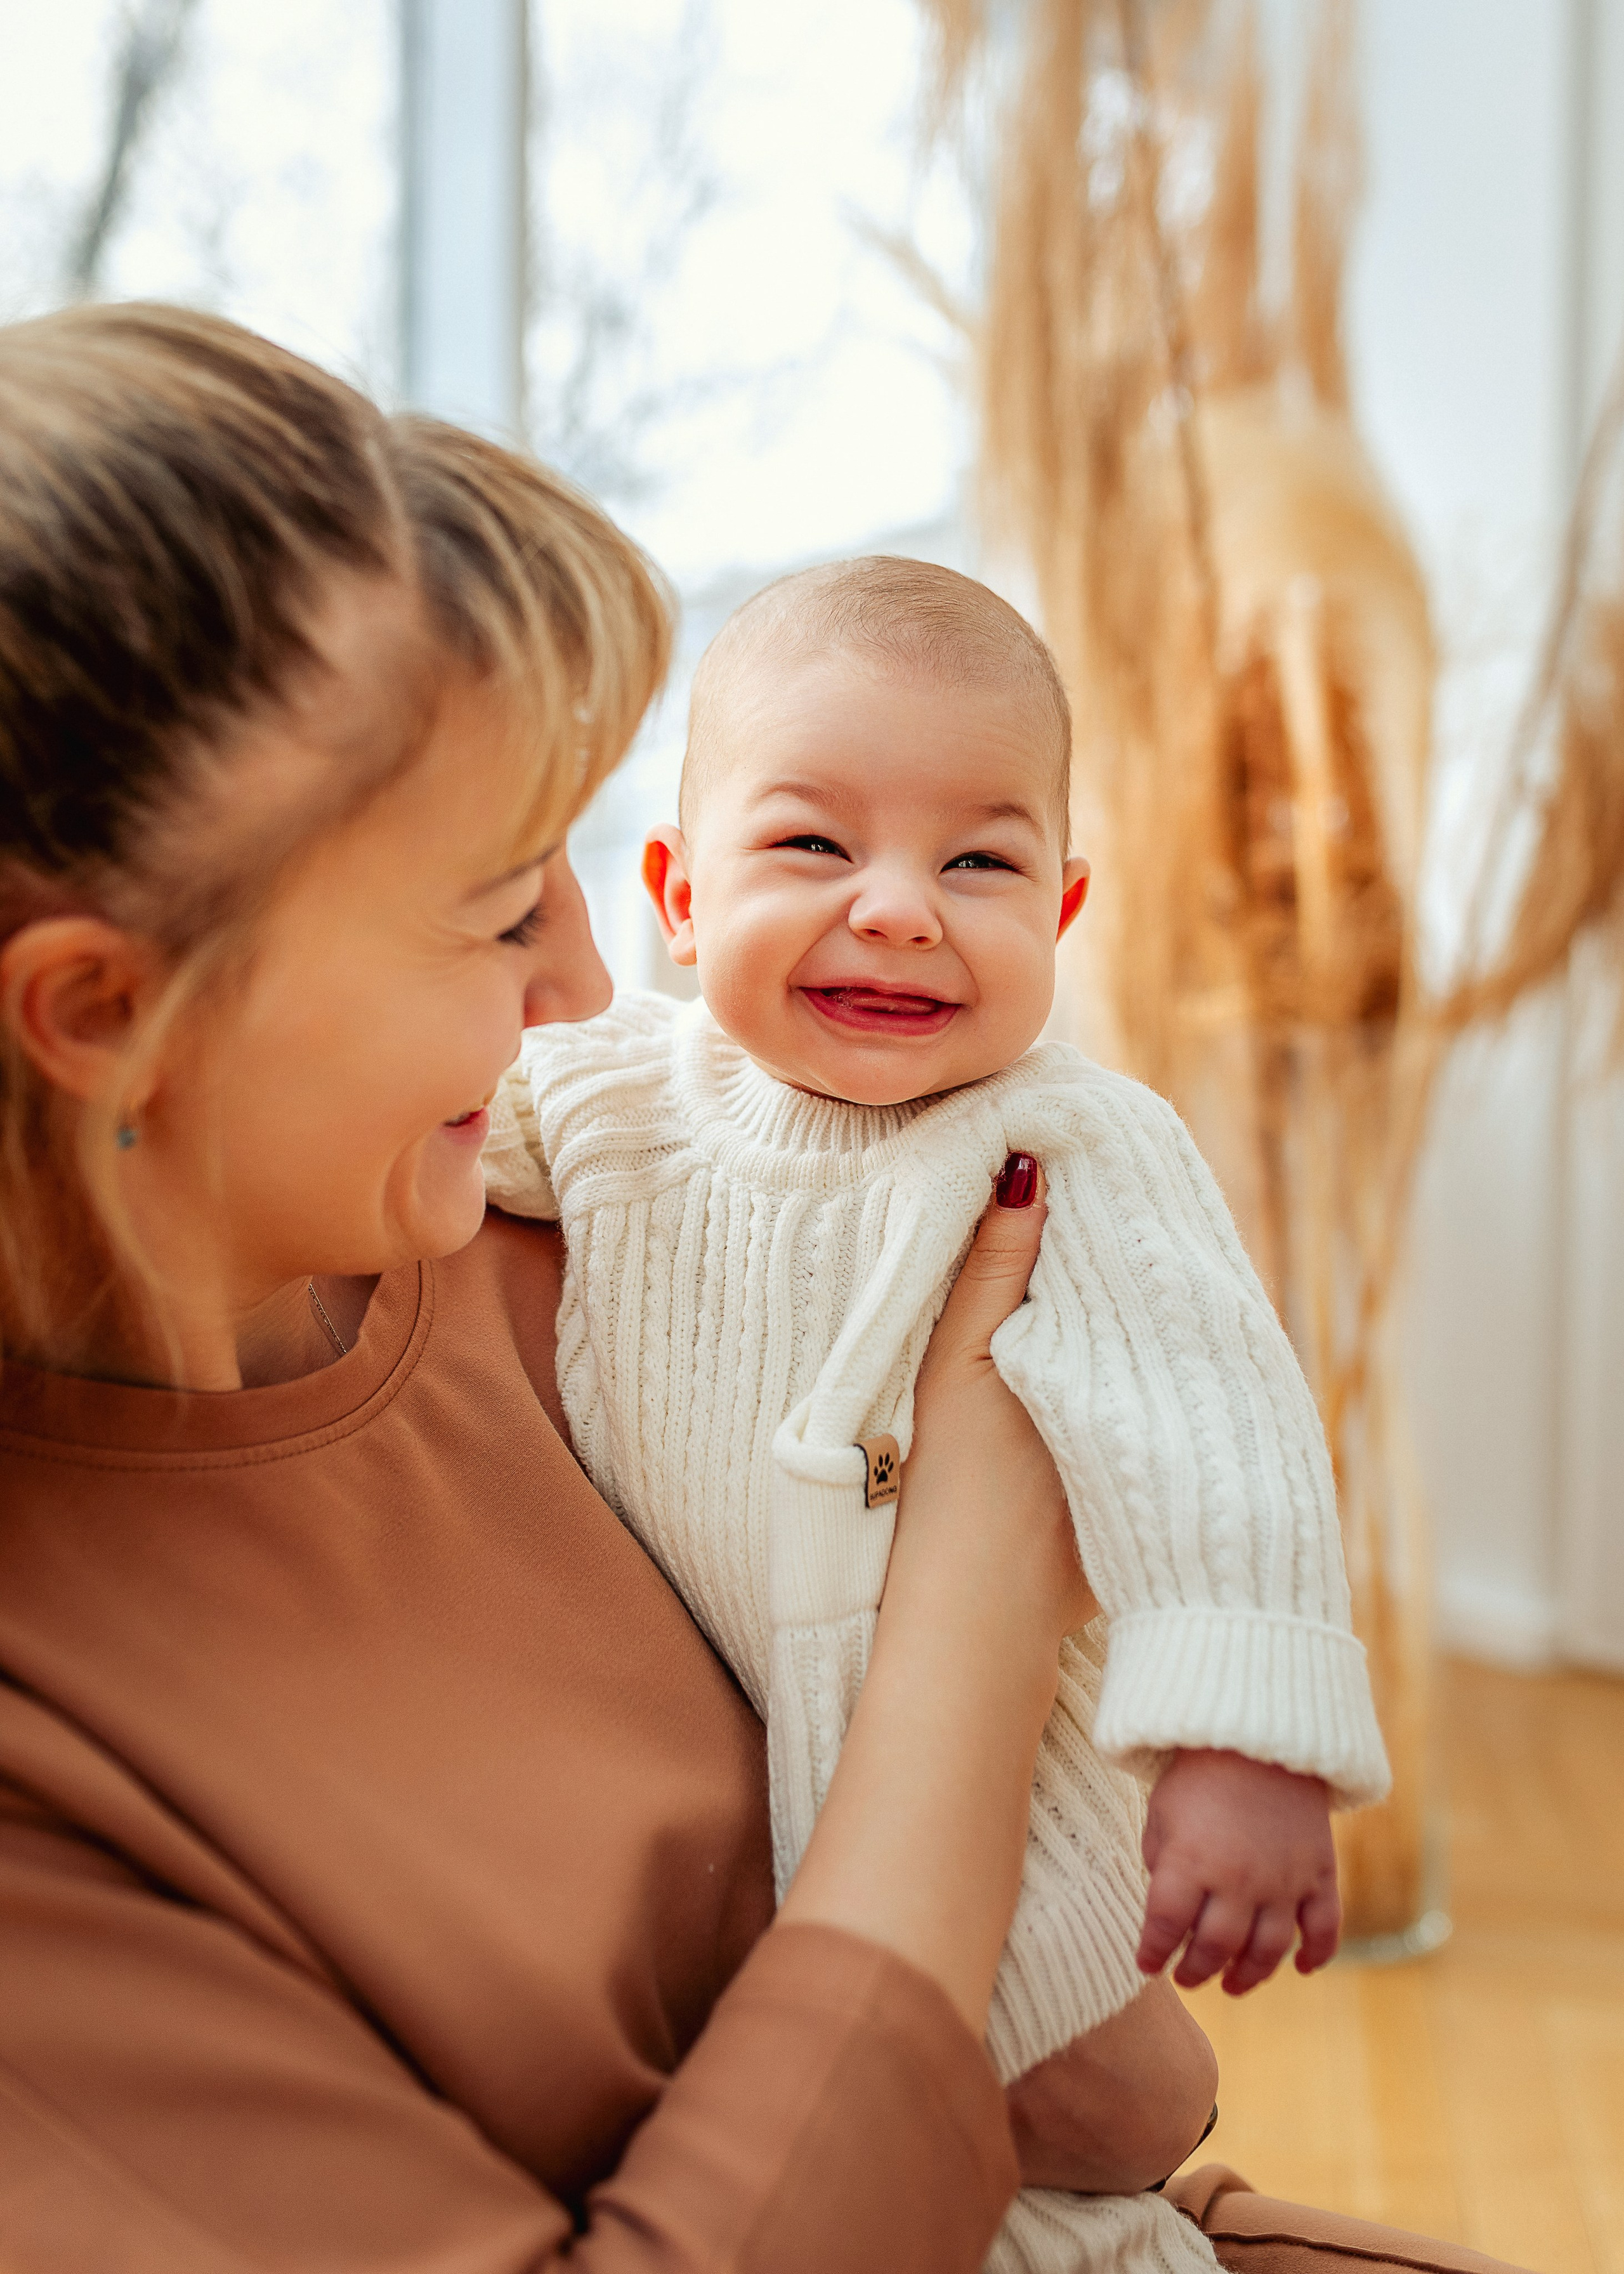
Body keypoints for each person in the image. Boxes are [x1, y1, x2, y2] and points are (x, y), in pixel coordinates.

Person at [0, 301, 1526, 2274]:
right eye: (489, 903)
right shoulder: (59, 1784)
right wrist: (984, 1569)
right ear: (111, 1020)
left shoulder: (498, 1228)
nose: (572, 980)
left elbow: (1125, 2070)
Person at [481, 558, 1388, 2267]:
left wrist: (1250, 1741)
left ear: (1061, 911)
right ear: (678, 893)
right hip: (737, 1788)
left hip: (1013, 1812)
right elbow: (432, 1140)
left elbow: (1215, 1422)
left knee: (1059, 2151)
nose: (900, 908)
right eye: (813, 846)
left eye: (981, 861)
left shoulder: (1080, 1148)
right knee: (874, 2130)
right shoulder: (610, 1095)